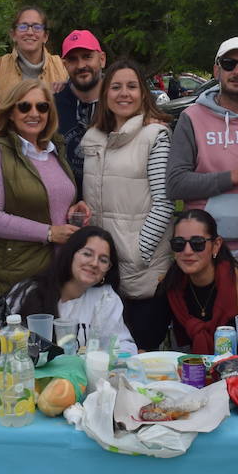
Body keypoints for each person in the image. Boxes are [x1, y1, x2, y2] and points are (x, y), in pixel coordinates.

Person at [166, 36, 238, 279]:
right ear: (216, 70)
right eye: (229, 64)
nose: (237, 71)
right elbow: (175, 184)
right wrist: (235, 177)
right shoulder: (192, 118)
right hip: (202, 251)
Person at [80, 59, 175, 349]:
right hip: (103, 271)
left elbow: (165, 203)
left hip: (142, 273)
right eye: (116, 87)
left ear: (143, 94)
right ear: (105, 94)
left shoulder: (154, 136)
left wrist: (137, 254)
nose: (124, 93)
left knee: (142, 358)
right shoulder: (94, 140)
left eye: (132, 87)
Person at [0, 78, 81, 297]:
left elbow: (53, 201)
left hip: (60, 270)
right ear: (11, 112)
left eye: (42, 107)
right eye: (24, 106)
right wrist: (49, 233)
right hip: (20, 274)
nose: (34, 113)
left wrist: (74, 208)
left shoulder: (54, 149)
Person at [6, 225, 136, 354]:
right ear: (71, 254)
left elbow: (124, 347)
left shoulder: (106, 298)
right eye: (87, 254)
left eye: (103, 260)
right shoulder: (29, 290)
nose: (94, 263)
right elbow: (3, 342)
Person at [154, 209, 238, 353]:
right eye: (179, 243)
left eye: (197, 243)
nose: (187, 251)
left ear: (216, 245)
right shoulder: (169, 287)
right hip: (185, 369)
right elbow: (149, 342)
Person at [55, 29, 106, 195]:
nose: (81, 65)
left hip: (111, 206)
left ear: (102, 59)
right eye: (72, 59)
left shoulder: (119, 103)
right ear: (64, 65)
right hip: (65, 208)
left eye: (87, 56)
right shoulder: (50, 105)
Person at [0, 5, 68, 100]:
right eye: (23, 27)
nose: (30, 32)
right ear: (13, 34)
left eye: (37, 27)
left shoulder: (62, 67)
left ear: (45, 36)